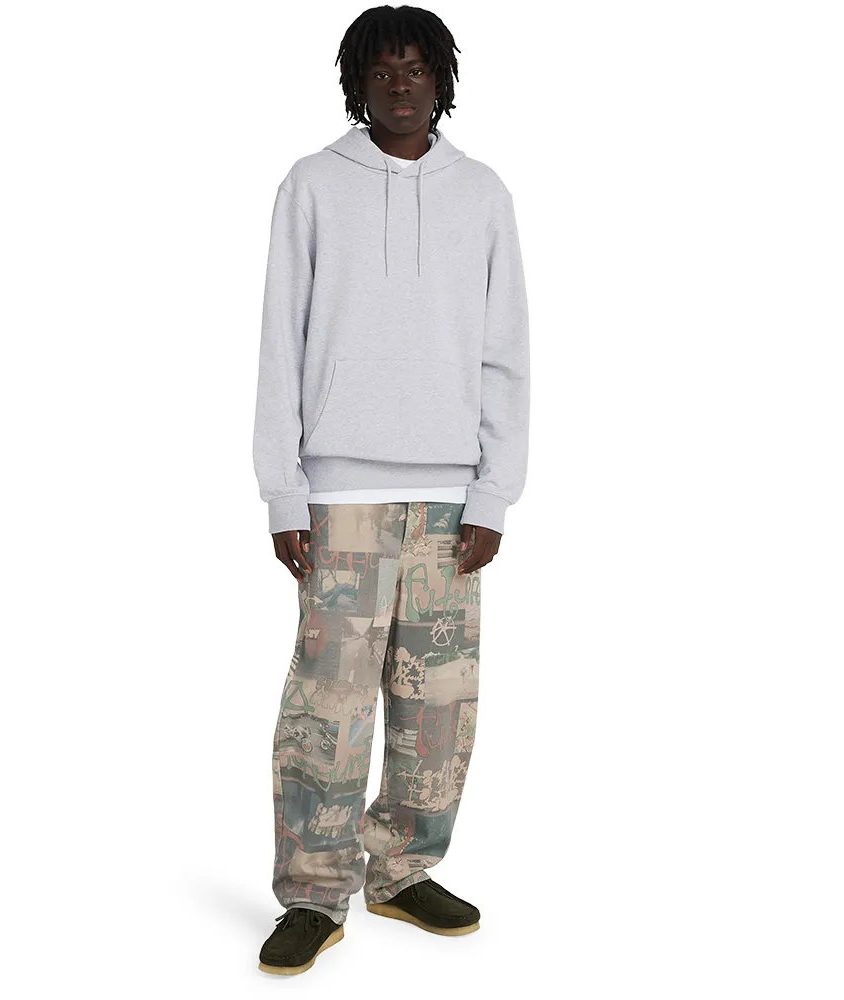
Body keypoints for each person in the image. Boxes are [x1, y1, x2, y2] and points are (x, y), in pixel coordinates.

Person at [251, 4, 529, 976]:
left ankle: (403, 869)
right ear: (357, 83)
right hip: (339, 499)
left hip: (449, 499)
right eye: (382, 70)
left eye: (416, 68)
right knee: (327, 708)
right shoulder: (311, 186)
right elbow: (279, 344)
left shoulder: (481, 194)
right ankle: (312, 891)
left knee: (437, 704)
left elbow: (506, 353)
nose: (400, 84)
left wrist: (493, 492)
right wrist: (283, 492)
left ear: (441, 80)